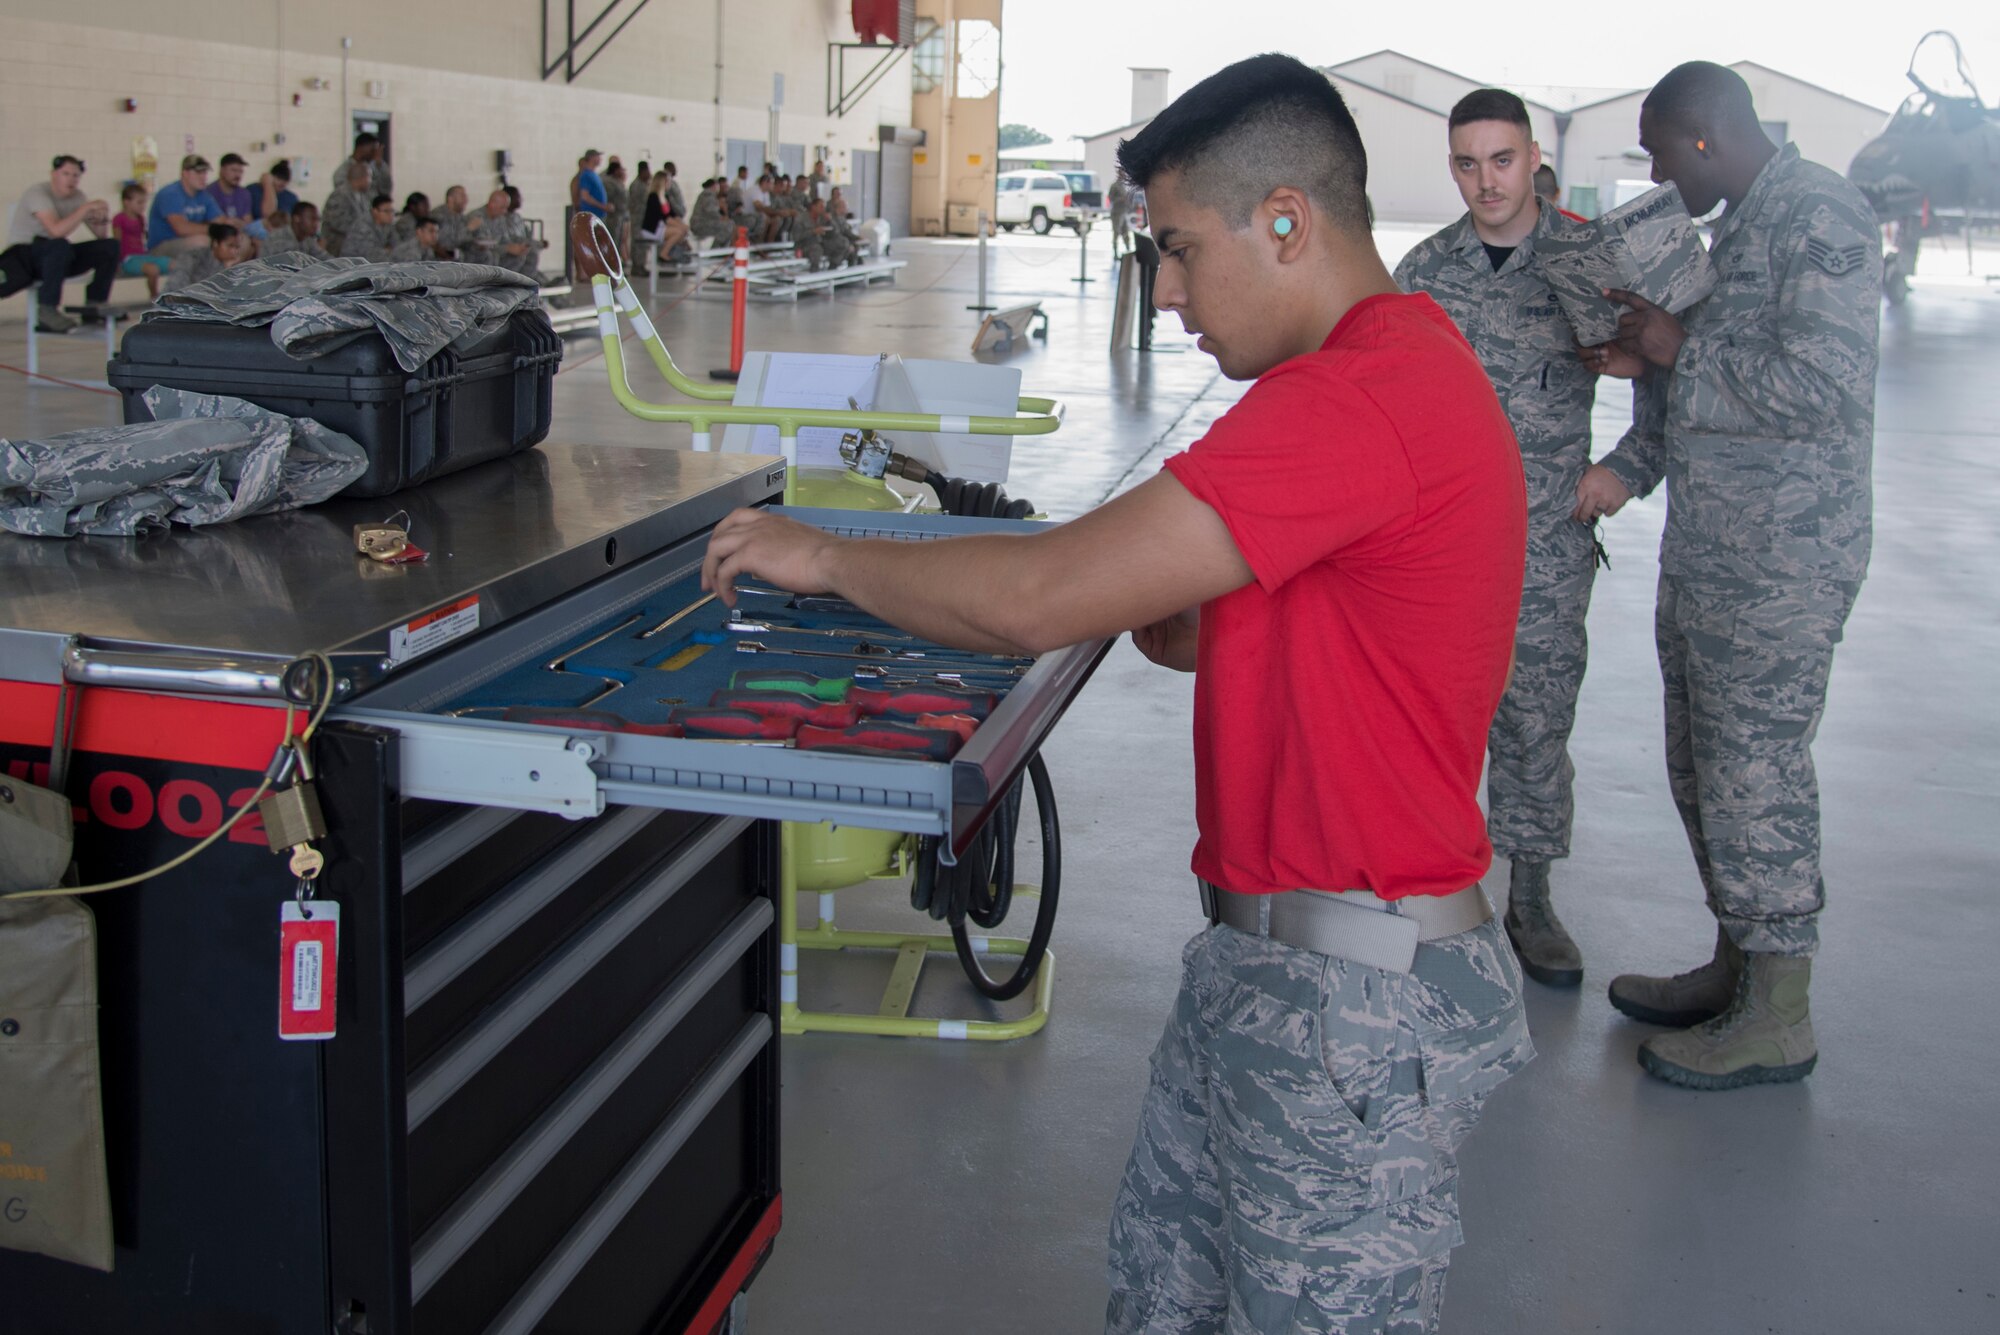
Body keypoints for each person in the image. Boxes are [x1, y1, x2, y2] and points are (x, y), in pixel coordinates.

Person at [696, 53, 1531, 1332]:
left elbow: (1043, 601)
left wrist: (822, 557)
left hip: (1349, 1001)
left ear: (1287, 223)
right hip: (1267, 964)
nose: (1172, 294)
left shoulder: (1361, 398)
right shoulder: (1355, 382)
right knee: (1165, 1303)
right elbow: (1186, 628)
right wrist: (1127, 580)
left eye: (1184, 252)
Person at [1574, 62, 1880, 1091]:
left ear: (1701, 135)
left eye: (1660, 151)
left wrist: (1679, 346)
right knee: (1702, 769)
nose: (1657, 172)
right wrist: (1641, 386)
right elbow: (1705, 379)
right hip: (1713, 552)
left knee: (1756, 775)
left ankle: (1778, 1016)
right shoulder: (1735, 227)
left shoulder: (1818, 214)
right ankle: (1739, 967)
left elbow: (1822, 385)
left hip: (1783, 562)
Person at [1395, 89, 1602, 990]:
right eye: (1468, 163)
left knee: (1536, 716)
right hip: (1443, 542)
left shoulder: (1588, 262)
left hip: (1550, 537)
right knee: (1432, 711)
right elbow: (1380, 392)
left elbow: (1674, 371)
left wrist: (1624, 471)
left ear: (1533, 156)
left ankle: (1532, 897)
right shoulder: (1423, 270)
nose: (1487, 181)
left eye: (1503, 160)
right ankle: (1429, 887)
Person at [8, 153, 118, 331]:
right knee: (59, 244)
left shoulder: (78, 197)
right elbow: (55, 231)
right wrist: (85, 208)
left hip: (56, 257)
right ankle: (47, 309)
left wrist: (102, 217)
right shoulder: (38, 193)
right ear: (54, 174)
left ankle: (95, 303)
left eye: (75, 175)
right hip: (25, 257)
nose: (71, 180)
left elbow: (101, 236)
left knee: (110, 246)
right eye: (66, 174)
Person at [146, 154, 220, 262]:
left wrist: (225, 230)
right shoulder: (170, 194)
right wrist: (213, 229)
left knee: (238, 241)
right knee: (202, 242)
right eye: (199, 172)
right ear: (185, 173)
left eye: (205, 172)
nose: (204, 177)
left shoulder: (204, 195)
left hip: (189, 240)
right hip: (161, 247)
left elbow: (221, 220)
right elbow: (182, 229)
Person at [112, 182, 166, 299]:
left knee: (174, 264)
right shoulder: (119, 219)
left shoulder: (141, 218)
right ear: (126, 202)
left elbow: (143, 238)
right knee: (153, 269)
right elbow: (117, 241)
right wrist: (116, 263)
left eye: (144, 202)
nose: (143, 206)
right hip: (128, 259)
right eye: (139, 202)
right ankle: (154, 296)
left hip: (142, 256)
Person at [163, 222, 244, 292]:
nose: (234, 251)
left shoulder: (231, 263)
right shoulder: (194, 257)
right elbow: (177, 286)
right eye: (230, 246)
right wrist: (225, 271)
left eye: (237, 247)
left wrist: (229, 269)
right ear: (216, 243)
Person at [320, 162, 373, 259]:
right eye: (369, 177)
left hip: (355, 247)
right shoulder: (340, 195)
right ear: (361, 178)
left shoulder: (363, 196)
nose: (370, 181)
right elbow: (336, 222)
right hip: (338, 249)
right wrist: (361, 231)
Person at [261, 202, 329, 260]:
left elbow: (324, 258)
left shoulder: (307, 239)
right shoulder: (279, 238)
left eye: (317, 220)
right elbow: (286, 269)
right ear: (297, 218)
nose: (316, 224)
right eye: (312, 219)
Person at [339, 195, 398, 261]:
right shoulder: (362, 226)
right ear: (375, 211)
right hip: (352, 265)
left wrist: (389, 251)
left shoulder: (388, 225)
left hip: (370, 265)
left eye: (391, 211)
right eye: (386, 211)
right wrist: (387, 251)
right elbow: (371, 255)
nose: (390, 215)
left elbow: (397, 247)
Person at [337, 133, 391, 201]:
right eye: (372, 150)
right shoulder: (343, 171)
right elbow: (347, 194)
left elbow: (386, 189)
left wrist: (379, 165)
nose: (375, 153)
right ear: (361, 147)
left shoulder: (375, 166)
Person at [432, 185, 481, 260]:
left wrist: (478, 243)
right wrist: (468, 229)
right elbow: (447, 243)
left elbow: (465, 240)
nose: (466, 200)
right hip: (441, 255)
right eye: (462, 196)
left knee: (485, 254)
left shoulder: (459, 216)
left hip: (459, 252)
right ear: (450, 199)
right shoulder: (439, 216)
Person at [689, 177, 734, 248]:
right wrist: (721, 217)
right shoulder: (708, 195)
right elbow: (711, 212)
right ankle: (716, 249)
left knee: (729, 224)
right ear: (714, 186)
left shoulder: (707, 194)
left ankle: (719, 249)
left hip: (701, 224)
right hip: (700, 225)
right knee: (728, 226)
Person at [574, 150, 608, 221]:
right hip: (592, 216)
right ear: (592, 158)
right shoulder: (586, 175)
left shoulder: (594, 174)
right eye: (598, 156)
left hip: (598, 215)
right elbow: (585, 196)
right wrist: (602, 206)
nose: (600, 159)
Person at [1108, 175, 1134, 256]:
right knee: (1116, 232)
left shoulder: (1125, 186)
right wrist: (1120, 199)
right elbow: (1110, 198)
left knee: (1125, 231)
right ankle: (1115, 252)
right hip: (1117, 212)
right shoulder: (1115, 186)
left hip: (1124, 211)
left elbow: (1129, 198)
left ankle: (1128, 249)